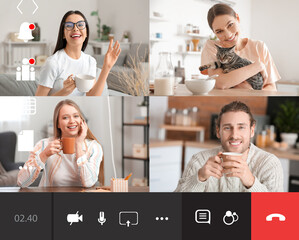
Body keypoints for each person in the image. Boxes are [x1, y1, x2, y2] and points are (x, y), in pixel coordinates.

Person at [175, 101, 283, 192]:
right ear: (218, 131)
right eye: (227, 128)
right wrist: (199, 178)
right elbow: (176, 206)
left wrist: (251, 182)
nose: (234, 136)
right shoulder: (199, 160)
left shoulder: (270, 164)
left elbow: (279, 210)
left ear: (252, 130)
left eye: (241, 127)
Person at [17, 99, 103, 187]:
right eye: (65, 117)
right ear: (58, 124)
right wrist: (44, 155)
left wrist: (78, 145)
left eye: (76, 116)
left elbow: (88, 183)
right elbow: (21, 182)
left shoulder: (94, 147)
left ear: (82, 121)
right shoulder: (44, 145)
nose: (72, 121)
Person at [35, 10, 121, 96]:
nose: (75, 28)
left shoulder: (90, 61)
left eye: (80, 25)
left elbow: (92, 97)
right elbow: (39, 101)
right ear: (63, 34)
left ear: (86, 32)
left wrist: (106, 67)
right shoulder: (53, 63)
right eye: (69, 25)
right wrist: (65, 91)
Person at [201, 4, 280, 90]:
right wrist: (257, 66)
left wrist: (250, 92)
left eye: (230, 25)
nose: (228, 35)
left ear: (237, 18)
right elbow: (221, 83)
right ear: (214, 33)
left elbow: (271, 88)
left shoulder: (259, 46)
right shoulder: (213, 47)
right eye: (219, 31)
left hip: (255, 103)